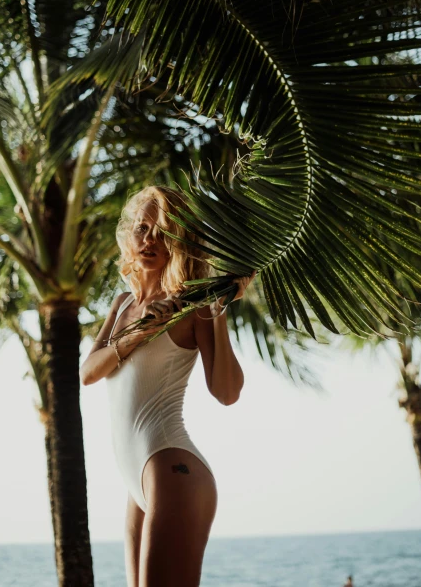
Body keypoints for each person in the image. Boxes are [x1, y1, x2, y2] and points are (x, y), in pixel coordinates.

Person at [80, 185, 256, 587]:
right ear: (130, 233)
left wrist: (217, 310)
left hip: (171, 470)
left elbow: (227, 393)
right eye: (143, 227)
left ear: (181, 242)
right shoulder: (123, 305)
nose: (150, 240)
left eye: (164, 232)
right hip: (137, 484)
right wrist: (143, 332)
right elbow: (88, 373)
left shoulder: (190, 307)